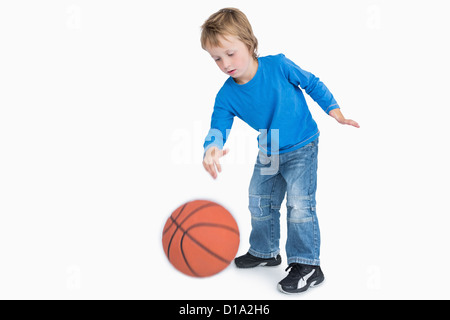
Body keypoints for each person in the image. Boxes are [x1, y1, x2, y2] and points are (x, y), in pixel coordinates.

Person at [200, 8, 359, 294]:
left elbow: (311, 83)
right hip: (270, 149)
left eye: (230, 53)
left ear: (249, 43)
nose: (224, 63)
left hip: (302, 144)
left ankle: (308, 265)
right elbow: (218, 125)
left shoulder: (279, 66)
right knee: (259, 200)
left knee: (299, 205)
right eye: (216, 58)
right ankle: (265, 251)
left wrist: (335, 111)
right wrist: (212, 148)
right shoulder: (226, 94)